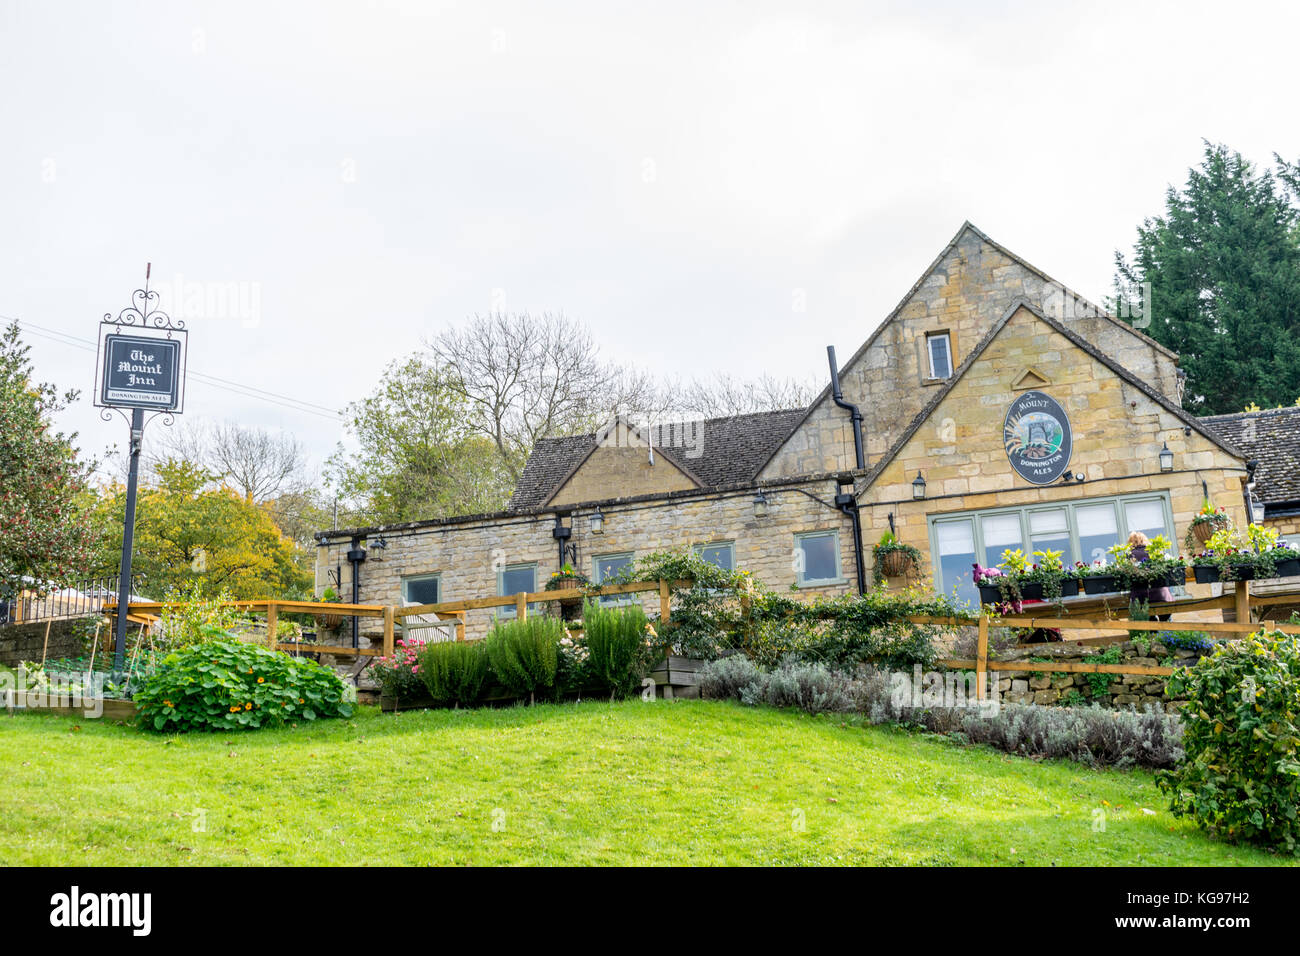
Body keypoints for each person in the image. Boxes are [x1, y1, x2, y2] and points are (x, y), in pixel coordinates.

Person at [1127, 531, 1172, 622]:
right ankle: (1167, 634)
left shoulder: (1130, 555)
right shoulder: (1156, 552)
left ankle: (1153, 632)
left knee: (1149, 624)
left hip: (1141, 599)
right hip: (1161, 596)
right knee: (1167, 622)